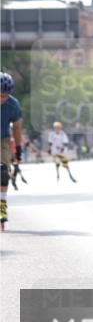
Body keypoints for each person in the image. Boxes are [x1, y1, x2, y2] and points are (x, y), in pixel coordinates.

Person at [0, 72, 24, 231]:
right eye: (0, 95)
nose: (2, 99)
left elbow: (17, 128)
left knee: (3, 174)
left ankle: (2, 210)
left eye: (5, 96)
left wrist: (19, 150)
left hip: (3, 140)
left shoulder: (13, 105)